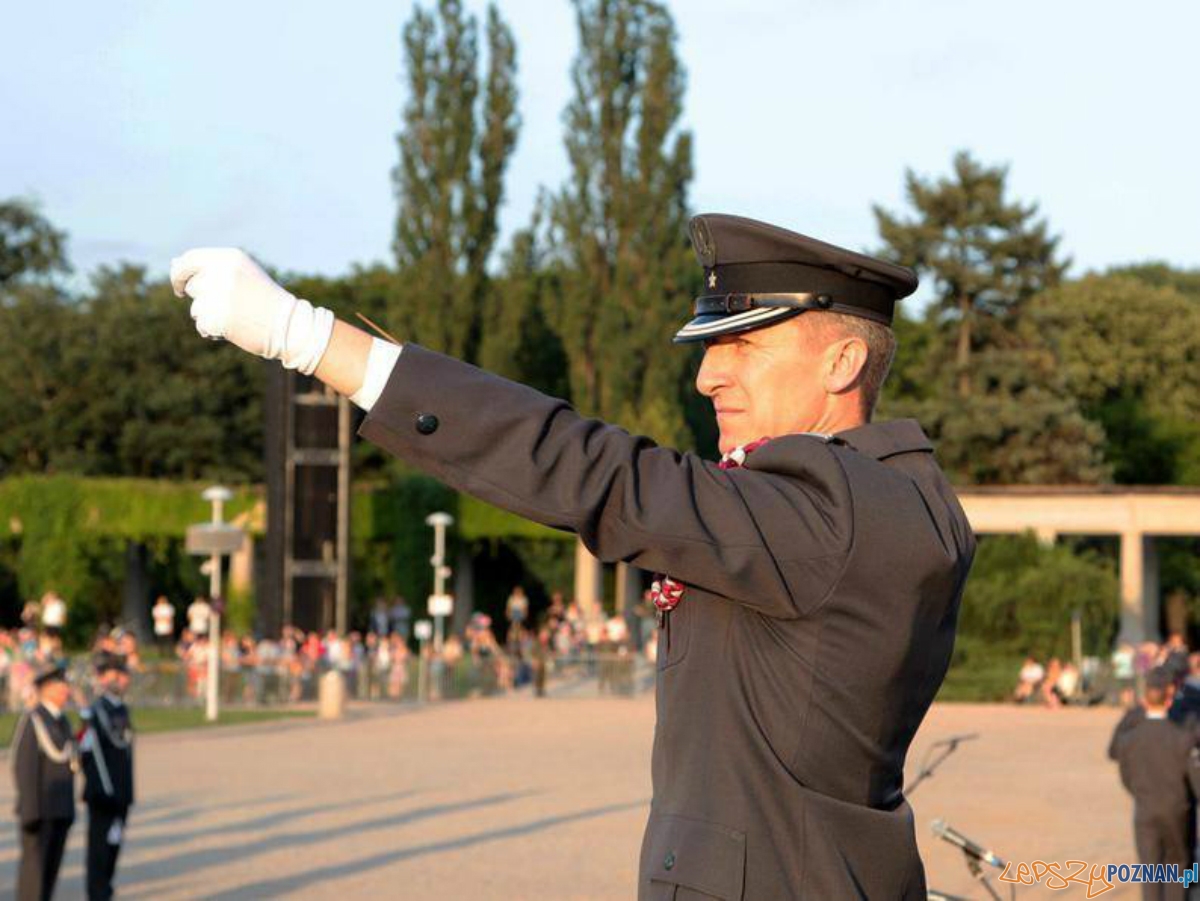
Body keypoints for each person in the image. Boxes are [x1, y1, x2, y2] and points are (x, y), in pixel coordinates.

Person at [171, 212, 975, 897]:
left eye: (745, 345)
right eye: (709, 345)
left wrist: (311, 339)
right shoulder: (871, 504)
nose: (707, 374)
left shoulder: (839, 508)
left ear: (843, 361)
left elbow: (597, 472)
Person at [1108, 668, 1198, 901]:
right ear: (1169, 700)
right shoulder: (1182, 739)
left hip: (1145, 809)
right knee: (1177, 868)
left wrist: (1142, 793)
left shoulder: (1130, 739)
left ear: (1144, 700)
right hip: (1177, 810)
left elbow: (1126, 775)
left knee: (1150, 872)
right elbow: (1194, 781)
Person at [11, 662, 77, 901]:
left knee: (49, 876)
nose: (66, 690)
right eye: (60, 685)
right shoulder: (34, 719)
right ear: (46, 689)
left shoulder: (62, 720)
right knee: (34, 880)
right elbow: (24, 767)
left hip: (60, 811)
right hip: (40, 812)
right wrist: (30, 813)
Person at [80, 653, 135, 901]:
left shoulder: (121, 709)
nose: (122, 679)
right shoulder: (96, 711)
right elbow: (87, 753)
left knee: (113, 848)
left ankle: (106, 891)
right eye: (116, 674)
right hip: (103, 792)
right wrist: (102, 789)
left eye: (123, 675)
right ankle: (97, 894)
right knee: (99, 851)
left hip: (121, 791)